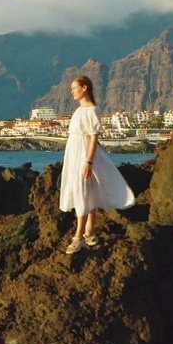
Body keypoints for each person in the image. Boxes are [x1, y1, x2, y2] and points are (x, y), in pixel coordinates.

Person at [58, 76, 135, 254]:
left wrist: (88, 162)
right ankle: (89, 232)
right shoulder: (78, 111)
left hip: (84, 156)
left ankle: (77, 237)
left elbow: (93, 138)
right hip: (75, 154)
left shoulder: (91, 110)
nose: (72, 91)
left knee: (82, 193)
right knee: (88, 192)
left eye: (74, 88)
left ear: (84, 88)